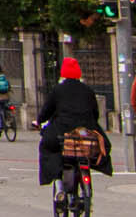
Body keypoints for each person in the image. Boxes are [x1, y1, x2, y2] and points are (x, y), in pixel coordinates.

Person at [36, 57, 115, 187]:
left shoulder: (58, 90)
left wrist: (39, 121)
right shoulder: (88, 90)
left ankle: (58, 181)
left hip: (62, 130)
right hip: (85, 130)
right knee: (103, 146)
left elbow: (47, 110)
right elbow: (95, 113)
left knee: (48, 147)